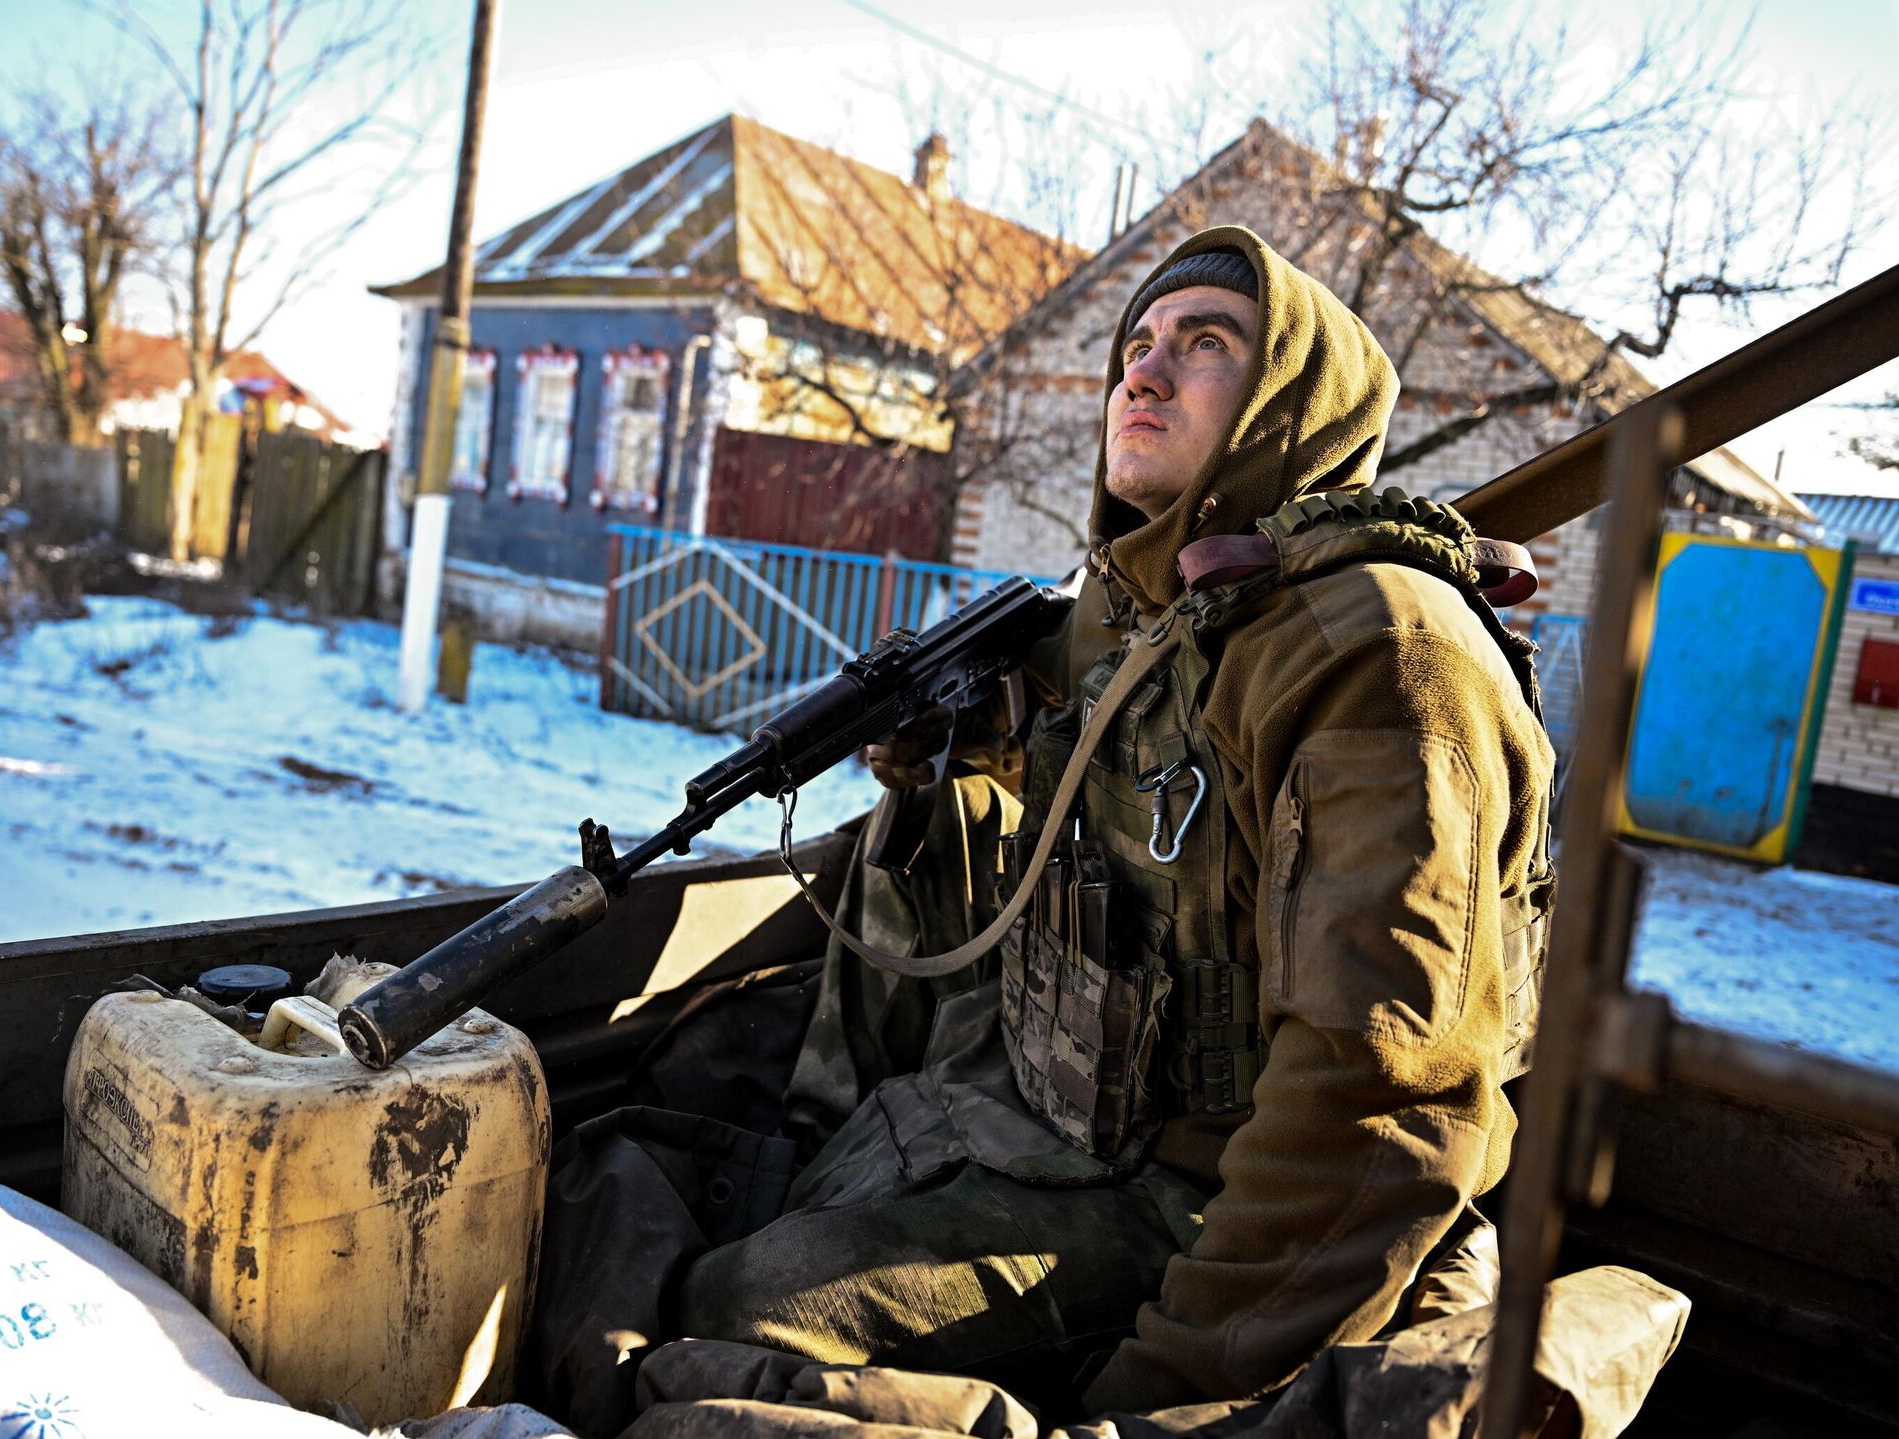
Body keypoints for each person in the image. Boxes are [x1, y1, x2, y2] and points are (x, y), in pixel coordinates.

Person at [533, 226, 1556, 1431]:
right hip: (1065, 1118)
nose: (1145, 372)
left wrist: (1159, 1390)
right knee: (654, 1173)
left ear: (1289, 402)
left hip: (1210, 1200)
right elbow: (1135, 780)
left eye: (1206, 344)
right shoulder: (1165, 614)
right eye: (1138, 345)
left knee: (740, 1309)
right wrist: (953, 745)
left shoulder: (1376, 654)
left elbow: (1381, 1104)